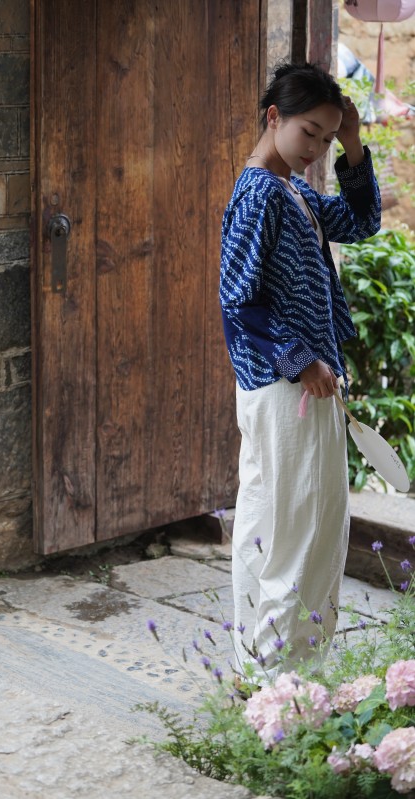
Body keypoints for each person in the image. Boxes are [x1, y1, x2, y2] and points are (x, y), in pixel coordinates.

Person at [219, 62, 381, 682]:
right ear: (274, 117)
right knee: (301, 530)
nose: (316, 148)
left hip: (294, 387)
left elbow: (362, 222)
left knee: (278, 525)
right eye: (310, 132)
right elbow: (237, 298)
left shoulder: (293, 192)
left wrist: (354, 143)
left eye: (327, 137)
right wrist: (302, 359)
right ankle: (280, 683)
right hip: (288, 388)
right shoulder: (260, 193)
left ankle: (264, 674)